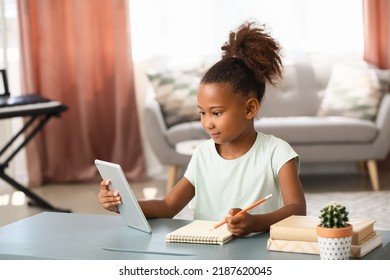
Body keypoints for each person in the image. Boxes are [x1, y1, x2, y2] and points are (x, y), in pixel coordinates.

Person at [98, 21, 306, 237]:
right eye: (202, 113)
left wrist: (256, 223)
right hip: (208, 251)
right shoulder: (203, 154)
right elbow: (168, 206)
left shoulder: (277, 153)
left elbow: (297, 209)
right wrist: (121, 204)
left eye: (216, 113)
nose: (207, 122)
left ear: (250, 108)